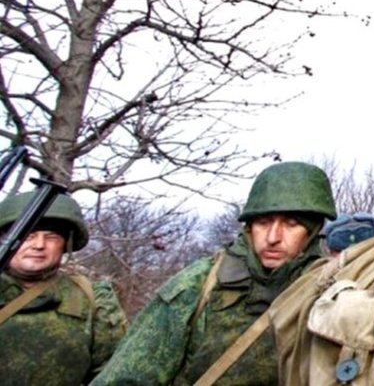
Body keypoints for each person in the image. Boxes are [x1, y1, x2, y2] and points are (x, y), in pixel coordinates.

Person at [92, 162, 337, 386]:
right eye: (263, 223)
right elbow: (125, 377)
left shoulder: (332, 293)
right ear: (249, 227)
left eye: (291, 224)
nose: (273, 237)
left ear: (312, 231)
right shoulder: (199, 284)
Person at [0, 190, 127, 385]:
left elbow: (114, 374)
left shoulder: (92, 299)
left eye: (51, 237)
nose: (39, 245)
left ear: (65, 244)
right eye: (29, 236)